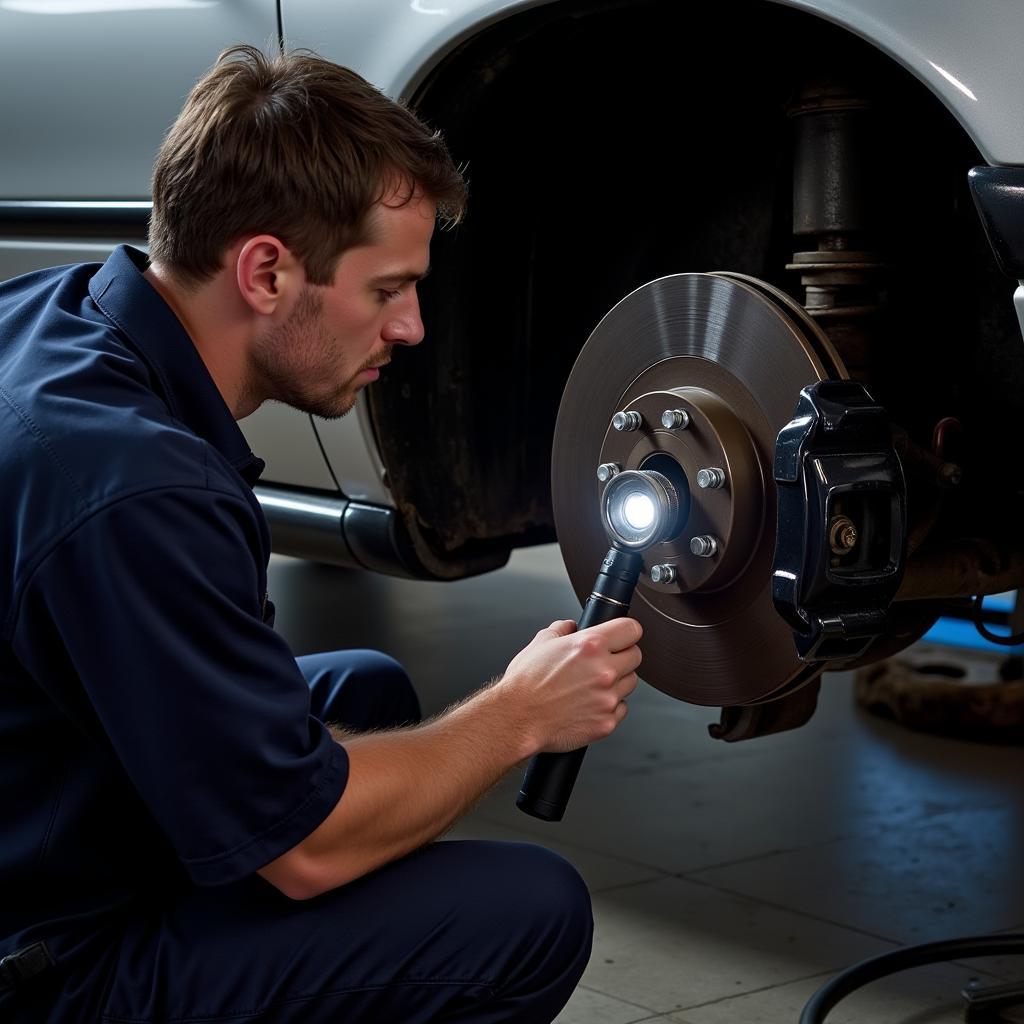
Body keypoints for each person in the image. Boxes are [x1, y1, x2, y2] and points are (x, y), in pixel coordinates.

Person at [0, 45, 642, 1023]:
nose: (414, 328)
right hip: (48, 956)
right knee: (530, 911)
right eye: (386, 290)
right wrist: (520, 713)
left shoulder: (61, 313)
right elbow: (304, 852)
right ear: (265, 270)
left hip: (31, 803)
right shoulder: (135, 488)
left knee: (365, 695)